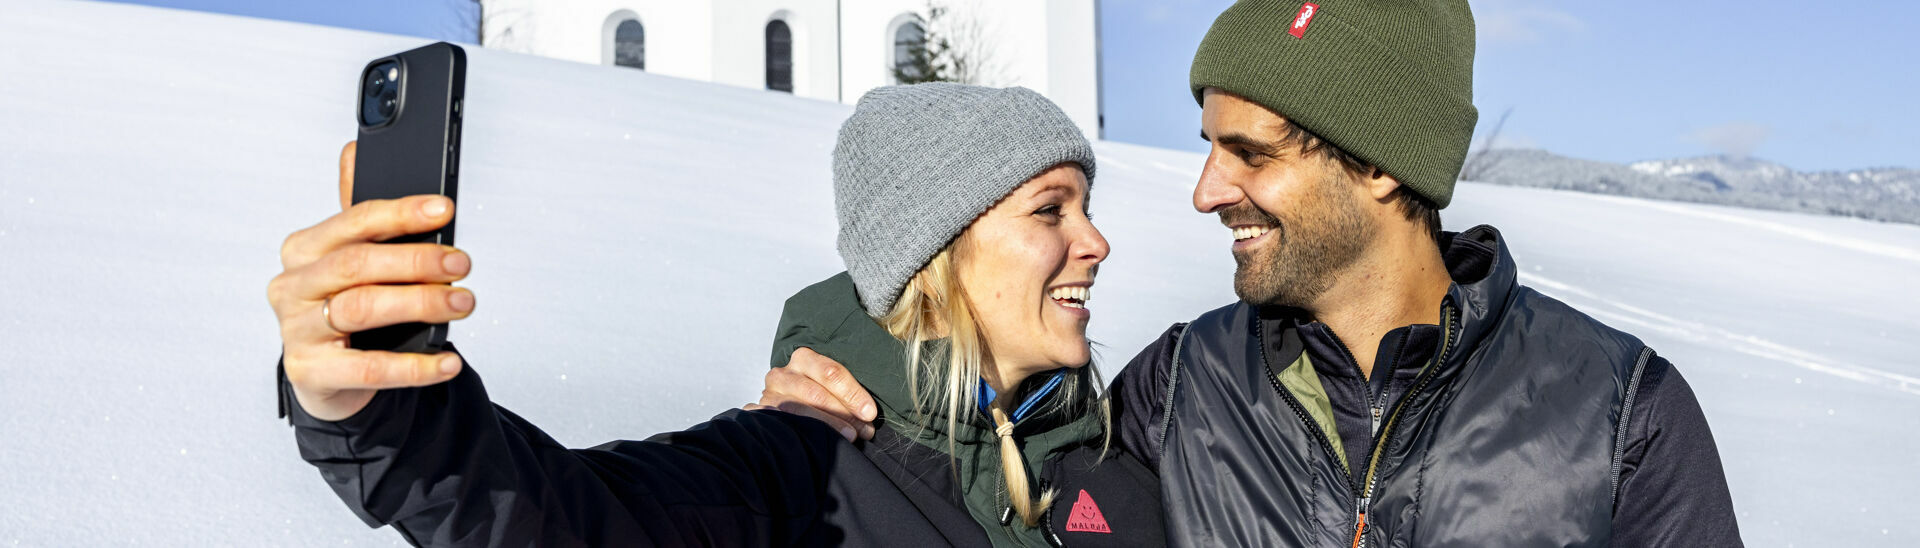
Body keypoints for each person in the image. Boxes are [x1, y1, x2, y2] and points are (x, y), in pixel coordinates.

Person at [757, 1, 1743, 546]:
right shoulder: (1176, 391)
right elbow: (997, 460)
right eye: (1207, 145)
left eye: (1251, 153)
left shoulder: (1620, 413)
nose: (1204, 190)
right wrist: (852, 382)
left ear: (1380, 161)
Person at [269, 83, 1165, 546]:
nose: (1097, 242)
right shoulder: (801, 469)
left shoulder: (1124, 459)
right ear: (936, 253)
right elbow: (562, 521)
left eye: (1085, 206)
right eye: (1051, 210)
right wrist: (375, 408)